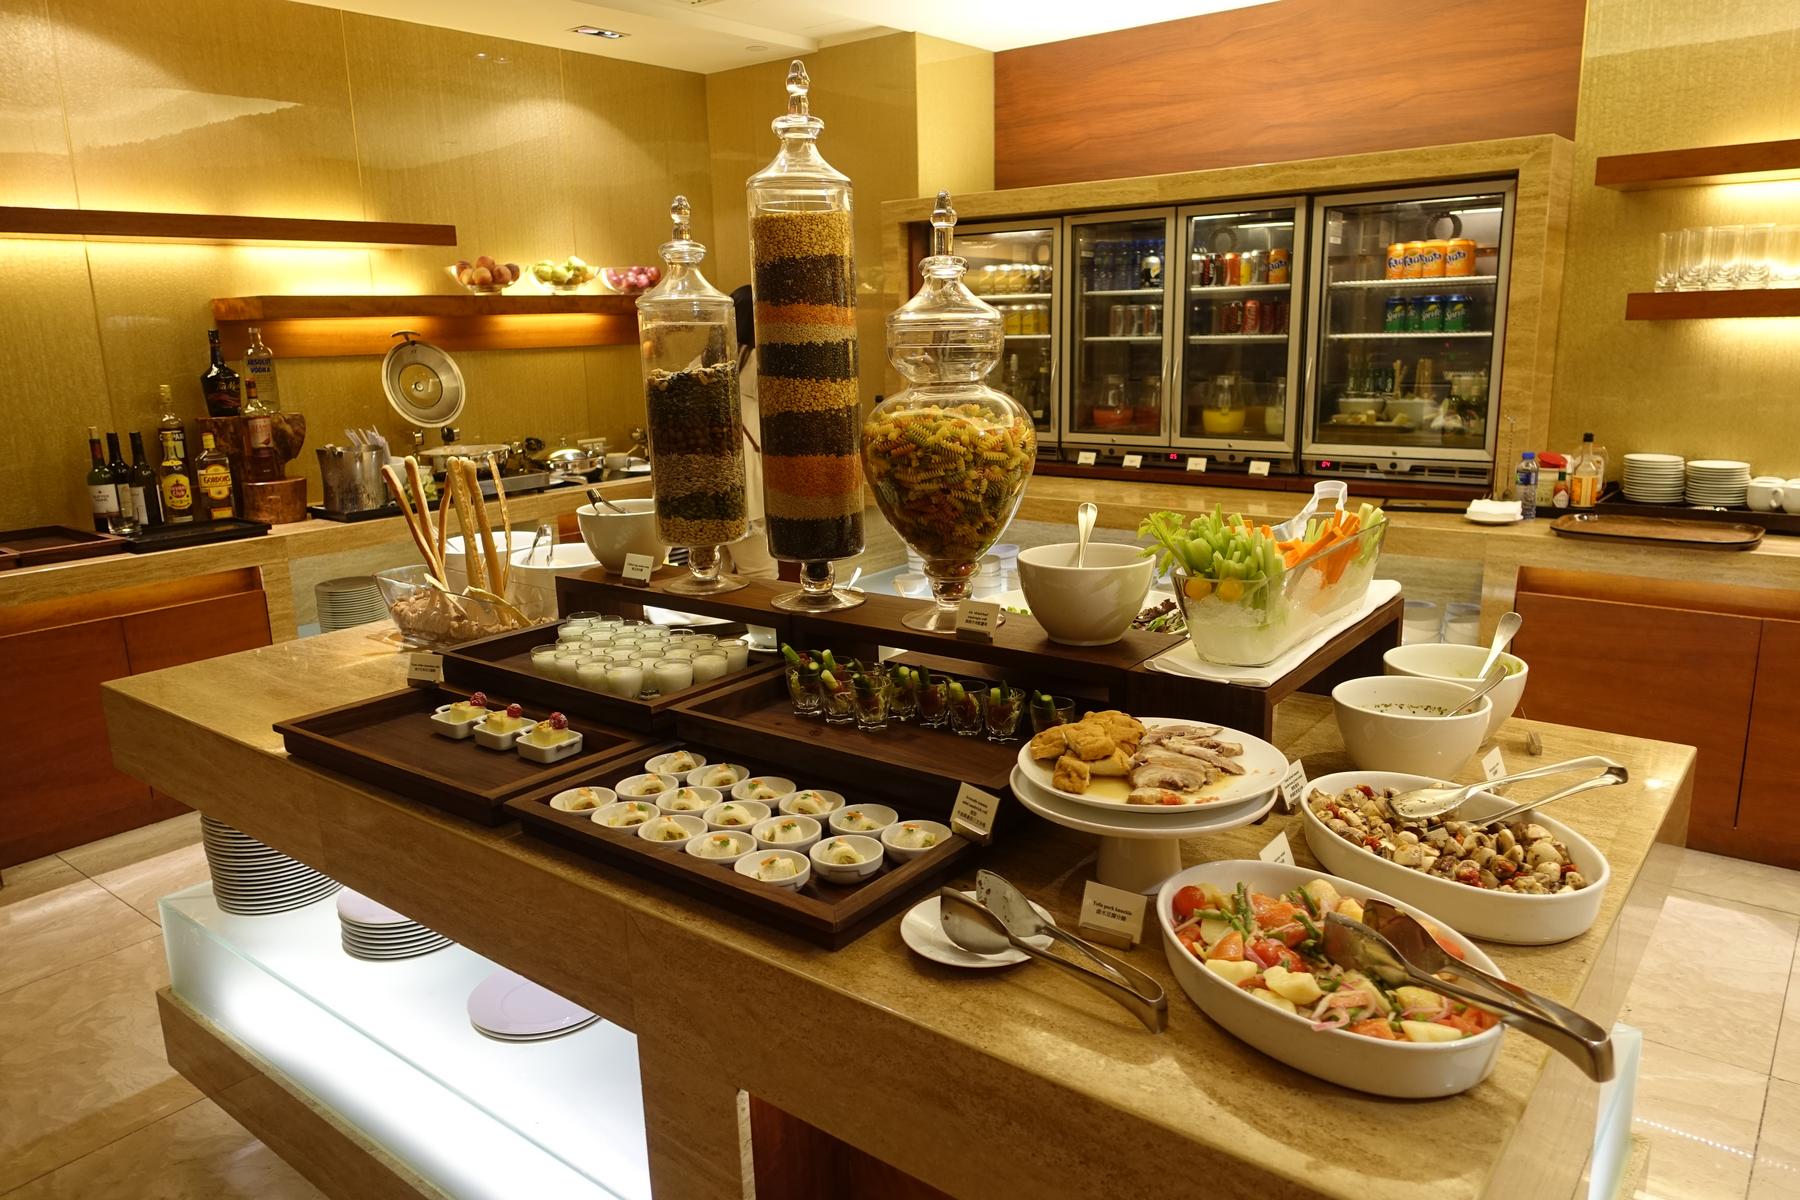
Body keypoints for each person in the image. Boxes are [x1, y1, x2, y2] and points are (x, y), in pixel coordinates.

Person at [725, 285, 777, 579]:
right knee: (760, 573)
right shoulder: (760, 361)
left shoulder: (710, 356)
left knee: (715, 572)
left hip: (712, 476)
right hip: (747, 480)